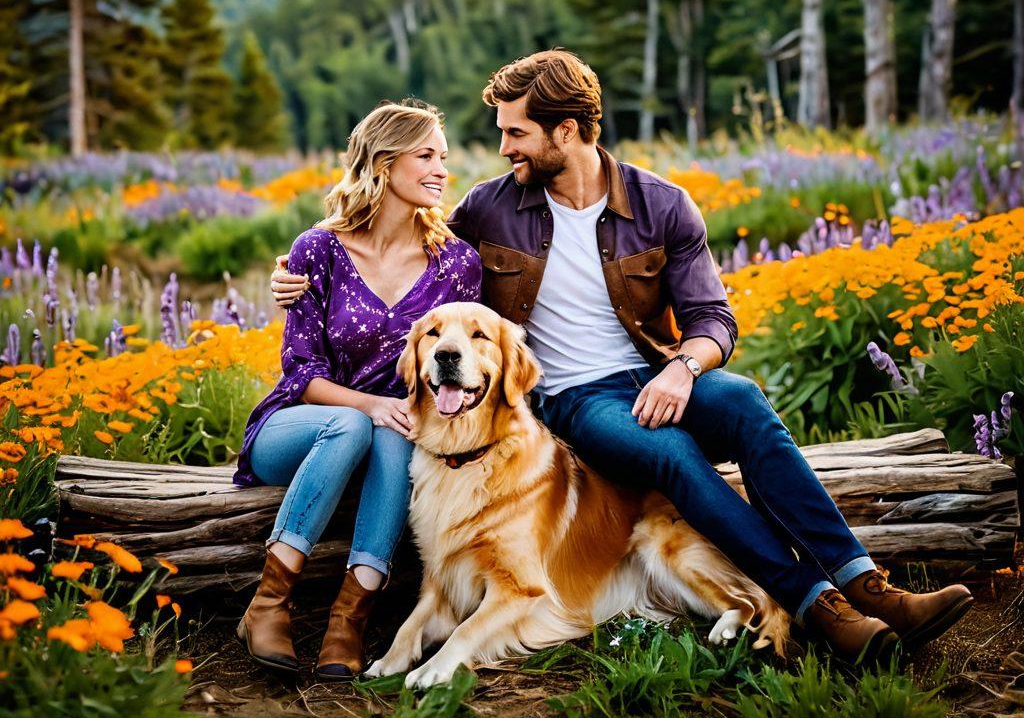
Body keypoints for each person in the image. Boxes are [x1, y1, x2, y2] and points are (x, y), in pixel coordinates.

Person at [271, 50, 973, 665]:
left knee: (745, 403)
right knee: (669, 453)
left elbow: (712, 319)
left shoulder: (662, 205)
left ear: (566, 131)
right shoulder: (490, 208)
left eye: (516, 133)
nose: (504, 147)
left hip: (656, 374)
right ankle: (821, 608)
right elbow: (404, 245)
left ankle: (866, 585)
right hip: (574, 400)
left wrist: (682, 368)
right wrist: (301, 270)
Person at [237, 100, 481, 680]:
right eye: (426, 156)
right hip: (299, 425)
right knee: (354, 423)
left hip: (394, 433)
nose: (442, 170)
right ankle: (268, 603)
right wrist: (370, 404)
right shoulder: (318, 250)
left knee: (393, 434)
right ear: (384, 162)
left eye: (444, 157)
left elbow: (464, 357)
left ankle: (349, 619)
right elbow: (301, 373)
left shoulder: (455, 263)